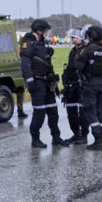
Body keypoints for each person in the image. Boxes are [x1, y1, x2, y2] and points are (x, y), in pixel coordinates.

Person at [20, 19, 68, 148]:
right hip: (37, 82)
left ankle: (56, 137)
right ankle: (35, 139)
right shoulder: (28, 42)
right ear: (39, 31)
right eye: (46, 30)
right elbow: (25, 64)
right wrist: (30, 81)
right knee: (39, 112)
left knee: (53, 111)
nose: (47, 33)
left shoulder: (42, 43)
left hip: (48, 82)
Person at [76, 25, 102, 151]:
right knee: (100, 112)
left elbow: (78, 66)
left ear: (90, 37)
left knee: (91, 113)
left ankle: (98, 140)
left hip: (89, 85)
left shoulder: (86, 50)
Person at [62, 26, 90, 144]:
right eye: (73, 38)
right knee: (71, 111)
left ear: (82, 38)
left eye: (76, 38)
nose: (74, 40)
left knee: (83, 112)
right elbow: (70, 67)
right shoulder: (73, 51)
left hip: (81, 85)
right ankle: (76, 133)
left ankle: (84, 135)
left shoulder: (86, 50)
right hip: (71, 85)